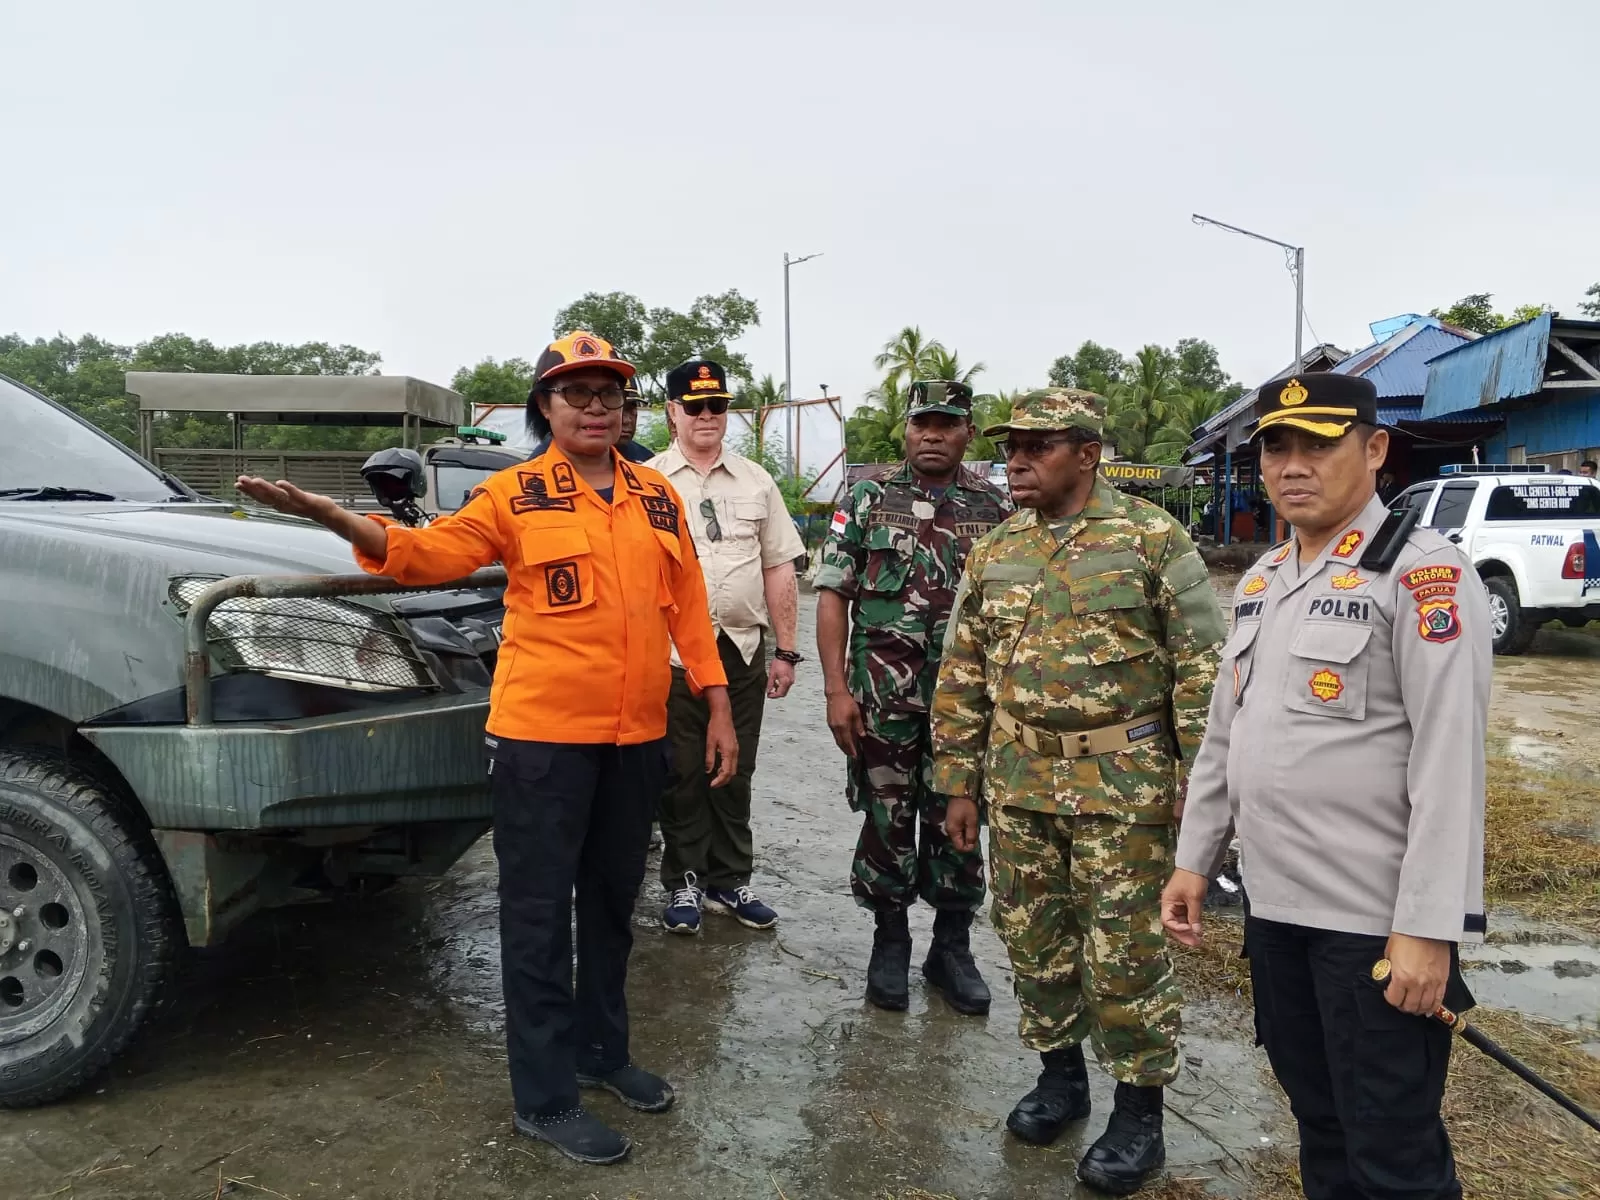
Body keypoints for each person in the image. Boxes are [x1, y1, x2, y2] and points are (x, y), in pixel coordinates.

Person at [236, 330, 737, 1168]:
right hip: (543, 742)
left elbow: (686, 605)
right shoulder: (515, 494)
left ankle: (601, 1054)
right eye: (575, 393)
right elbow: (429, 557)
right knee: (538, 917)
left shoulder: (657, 496)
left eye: (609, 392)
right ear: (545, 406)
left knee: (613, 905)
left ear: (625, 406)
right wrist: (335, 517)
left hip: (637, 737)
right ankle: (544, 1097)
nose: (595, 406)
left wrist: (715, 702)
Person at [1161, 373, 1490, 1200]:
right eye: (1278, 445)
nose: (1293, 464)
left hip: (1371, 930)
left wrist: (1426, 928)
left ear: (1375, 451)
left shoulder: (1423, 577)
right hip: (1278, 916)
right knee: (1322, 1125)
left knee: (1394, 1154)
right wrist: (1195, 859)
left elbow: (1450, 763)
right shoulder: (1265, 578)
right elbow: (1224, 736)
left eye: (1319, 443)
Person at [931, 388, 1225, 1196]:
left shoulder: (1152, 539)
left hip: (1123, 786)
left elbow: (1204, 676)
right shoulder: (994, 551)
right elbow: (961, 673)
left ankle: (1139, 1112)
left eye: (1038, 445)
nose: (1016, 460)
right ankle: (1061, 1077)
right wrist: (958, 781)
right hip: (1020, 781)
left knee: (1126, 954)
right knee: (1034, 942)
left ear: (1088, 453)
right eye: (1011, 446)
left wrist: (1202, 802)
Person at [813, 379, 1010, 1016]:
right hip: (881, 699)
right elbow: (833, 593)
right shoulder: (869, 496)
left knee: (960, 818)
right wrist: (837, 689)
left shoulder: (996, 508)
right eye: (922, 422)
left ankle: (950, 947)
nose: (932, 434)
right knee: (885, 819)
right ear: (906, 430)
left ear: (967, 434)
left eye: (946, 424)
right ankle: (890, 942)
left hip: (968, 706)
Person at [649, 358, 807, 934]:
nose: (708, 416)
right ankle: (684, 880)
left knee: (736, 767)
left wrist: (786, 651)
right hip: (670, 653)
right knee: (682, 768)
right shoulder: (648, 481)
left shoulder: (757, 480)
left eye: (717, 405)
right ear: (672, 413)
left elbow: (779, 568)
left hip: (740, 647)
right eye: (695, 407)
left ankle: (730, 880)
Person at [532, 379, 655, 463]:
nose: (626, 420)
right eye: (578, 394)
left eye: (630, 409)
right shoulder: (532, 474)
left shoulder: (646, 460)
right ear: (545, 406)